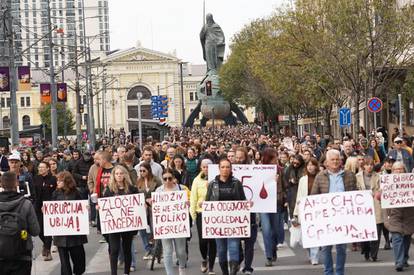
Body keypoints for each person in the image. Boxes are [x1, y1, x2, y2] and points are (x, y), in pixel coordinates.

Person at [311, 149, 357, 275]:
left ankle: (340, 272)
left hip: (343, 217)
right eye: (332, 160)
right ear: (327, 162)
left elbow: (355, 195)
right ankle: (328, 272)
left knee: (341, 247)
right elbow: (313, 196)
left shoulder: (349, 175)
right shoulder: (320, 176)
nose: (335, 162)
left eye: (337, 159)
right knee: (326, 248)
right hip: (326, 218)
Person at [206, 157, 246, 275]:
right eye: (222, 167)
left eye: (227, 167)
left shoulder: (236, 183)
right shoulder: (212, 184)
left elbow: (242, 200)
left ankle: (233, 272)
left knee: (233, 247)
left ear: (231, 168)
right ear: (219, 169)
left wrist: (247, 204)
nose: (225, 169)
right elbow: (208, 201)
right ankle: (225, 272)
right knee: (222, 250)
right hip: (218, 223)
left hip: (234, 222)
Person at [0, 171, 40, 275]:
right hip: (22, 254)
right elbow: (35, 231)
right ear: (16, 183)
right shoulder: (26, 204)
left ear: (1, 184)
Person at [102, 165, 138, 275]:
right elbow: (104, 203)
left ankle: (126, 272)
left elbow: (138, 203)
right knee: (114, 250)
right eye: (117, 174)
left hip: (127, 225)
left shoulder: (132, 189)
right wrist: (100, 207)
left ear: (125, 175)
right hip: (114, 226)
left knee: (127, 249)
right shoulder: (109, 189)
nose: (119, 176)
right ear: (114, 175)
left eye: (121, 173)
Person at [52, 171, 88, 275]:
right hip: (61, 234)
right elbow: (52, 208)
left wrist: (85, 208)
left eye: (60, 180)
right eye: (57, 180)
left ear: (66, 181)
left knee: (79, 260)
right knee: (64, 263)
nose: (57, 182)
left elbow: (81, 207)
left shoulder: (76, 193)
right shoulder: (55, 193)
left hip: (75, 235)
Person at [155, 169, 189, 275]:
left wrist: (188, 203)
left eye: (170, 178)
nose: (167, 181)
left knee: (181, 251)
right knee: (167, 251)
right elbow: (156, 208)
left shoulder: (181, 189)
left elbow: (190, 201)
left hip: (178, 225)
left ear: (173, 178)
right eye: (165, 179)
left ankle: (182, 266)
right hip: (164, 226)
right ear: (162, 179)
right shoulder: (158, 191)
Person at [384, 161, 414, 272]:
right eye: (396, 169)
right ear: (392, 171)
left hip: (409, 215)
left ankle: (405, 258)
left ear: (404, 170)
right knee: (397, 238)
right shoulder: (387, 182)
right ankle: (399, 262)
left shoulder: (411, 181)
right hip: (394, 215)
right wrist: (379, 194)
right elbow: (380, 195)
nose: (398, 171)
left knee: (406, 238)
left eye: (400, 169)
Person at [260, 148, 287, 267]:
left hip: (277, 202)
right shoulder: (259, 170)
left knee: (275, 230)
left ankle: (273, 247)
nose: (276, 161)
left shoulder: (280, 170)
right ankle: (269, 256)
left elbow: (285, 186)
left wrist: (285, 200)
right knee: (266, 230)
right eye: (274, 159)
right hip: (264, 204)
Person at [190, 158, 217, 274]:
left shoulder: (217, 179)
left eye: (208, 167)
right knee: (203, 241)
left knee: (212, 241)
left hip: (214, 213)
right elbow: (193, 198)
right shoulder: (196, 180)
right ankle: (204, 259)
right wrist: (193, 215)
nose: (206, 169)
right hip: (201, 213)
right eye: (204, 167)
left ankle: (211, 266)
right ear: (201, 167)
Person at [294, 157, 320, 265]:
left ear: (316, 166)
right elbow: (299, 196)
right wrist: (296, 212)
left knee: (316, 233)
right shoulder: (303, 179)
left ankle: (315, 256)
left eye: (312, 165)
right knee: (306, 234)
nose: (310, 167)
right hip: (305, 209)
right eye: (308, 165)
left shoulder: (320, 177)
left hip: (317, 209)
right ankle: (310, 252)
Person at [356, 156, 383, 261]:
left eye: (371, 165)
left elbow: (382, 189)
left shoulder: (379, 176)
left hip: (376, 205)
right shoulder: (357, 176)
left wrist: (377, 193)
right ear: (363, 166)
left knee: (377, 231)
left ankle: (374, 254)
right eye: (367, 165)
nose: (369, 167)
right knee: (365, 232)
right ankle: (366, 250)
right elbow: (355, 190)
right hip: (363, 207)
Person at [136, 161, 162, 260]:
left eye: (144, 171)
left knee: (154, 228)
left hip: (153, 208)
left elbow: (160, 192)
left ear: (149, 170)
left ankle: (157, 250)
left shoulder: (156, 180)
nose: (142, 173)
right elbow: (136, 194)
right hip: (142, 208)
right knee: (142, 229)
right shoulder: (138, 181)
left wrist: (153, 199)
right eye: (140, 171)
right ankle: (148, 249)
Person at [33, 161, 57, 261]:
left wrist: (50, 204)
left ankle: (47, 250)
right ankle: (45, 243)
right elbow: (33, 192)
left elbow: (55, 193)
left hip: (49, 207)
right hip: (38, 207)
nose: (41, 169)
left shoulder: (53, 179)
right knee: (39, 229)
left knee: (47, 230)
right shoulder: (36, 178)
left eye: (43, 167)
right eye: (39, 167)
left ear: (48, 168)